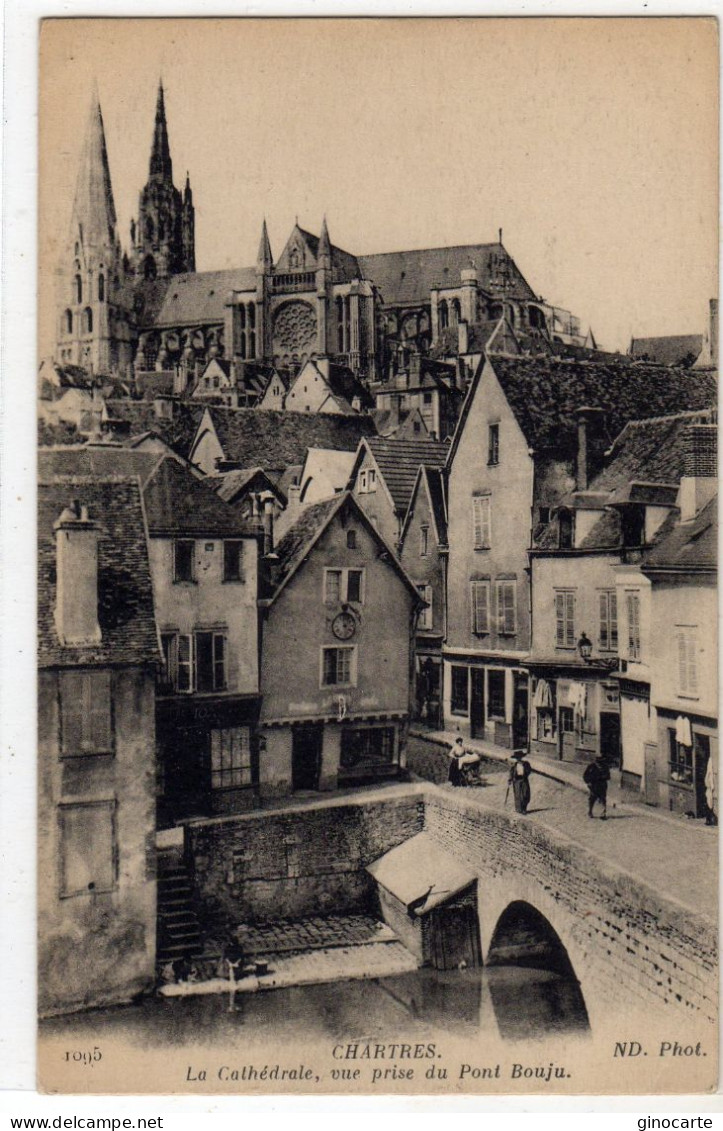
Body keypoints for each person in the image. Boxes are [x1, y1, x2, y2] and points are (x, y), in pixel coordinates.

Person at [508, 749, 532, 814]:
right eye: (517, 758)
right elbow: (511, 772)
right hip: (517, 781)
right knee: (518, 795)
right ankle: (519, 809)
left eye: (519, 757)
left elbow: (529, 770)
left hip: (524, 780)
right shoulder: (514, 765)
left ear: (521, 757)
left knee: (525, 794)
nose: (519, 759)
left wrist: (526, 774)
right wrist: (510, 779)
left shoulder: (526, 763)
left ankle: (524, 808)